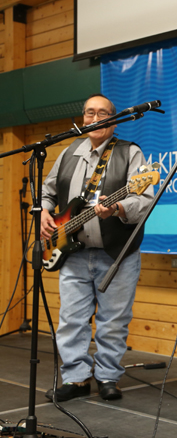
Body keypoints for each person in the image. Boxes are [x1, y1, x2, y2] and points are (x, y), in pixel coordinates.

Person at [41, 94, 154, 401]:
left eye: (102, 113)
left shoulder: (130, 153)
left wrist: (117, 208)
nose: (95, 118)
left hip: (116, 253)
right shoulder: (69, 151)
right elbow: (48, 191)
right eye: (90, 113)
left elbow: (144, 200)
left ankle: (107, 377)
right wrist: (44, 213)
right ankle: (76, 379)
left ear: (114, 120)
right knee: (71, 320)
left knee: (113, 321)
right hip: (73, 253)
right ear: (83, 118)